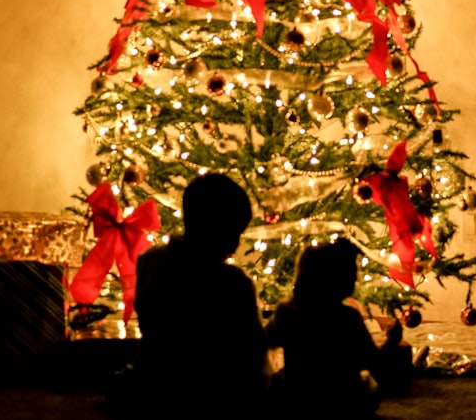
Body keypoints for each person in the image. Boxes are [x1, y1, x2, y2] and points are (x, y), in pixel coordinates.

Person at [114, 173, 269, 420]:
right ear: (218, 230)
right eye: (234, 233)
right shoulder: (234, 283)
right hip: (207, 393)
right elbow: (252, 351)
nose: (238, 244)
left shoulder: (150, 261)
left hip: (151, 379)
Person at [266, 238, 404, 417]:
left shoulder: (286, 312)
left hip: (299, 398)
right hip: (342, 400)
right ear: (338, 278)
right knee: (370, 386)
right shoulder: (347, 317)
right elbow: (374, 363)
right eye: (352, 273)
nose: (356, 278)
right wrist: (391, 340)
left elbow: (265, 341)